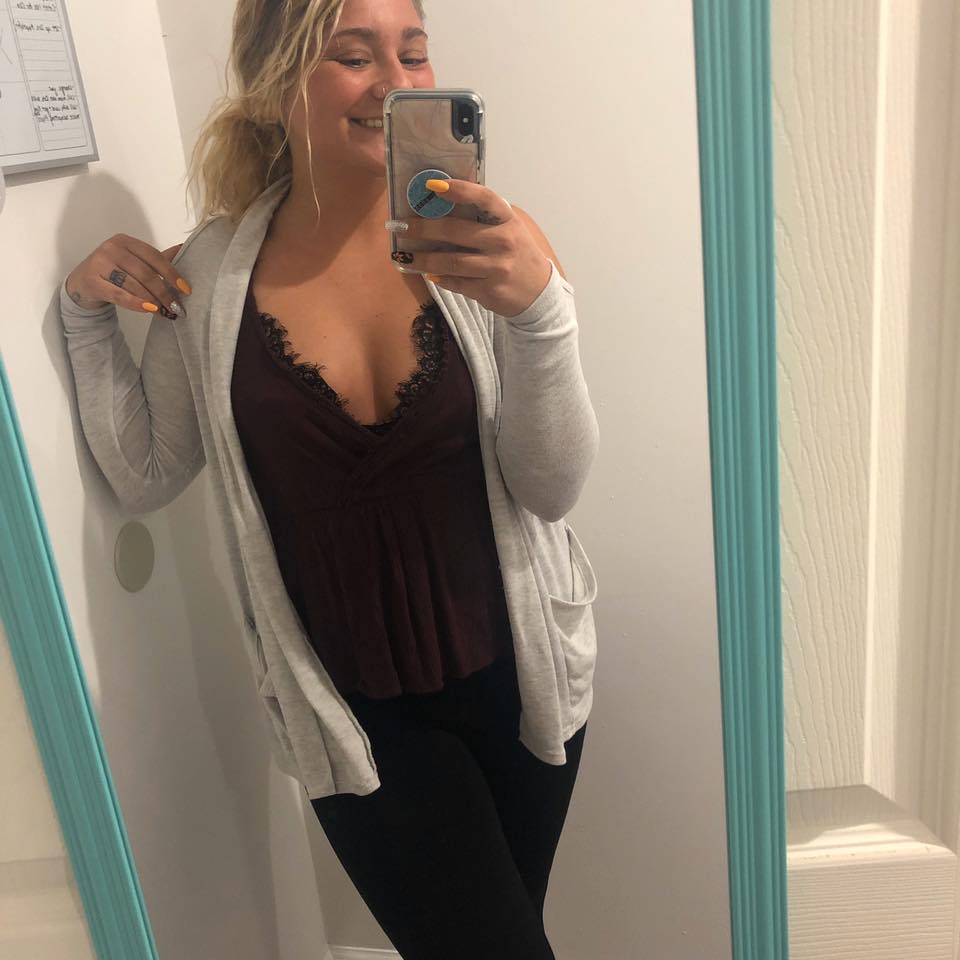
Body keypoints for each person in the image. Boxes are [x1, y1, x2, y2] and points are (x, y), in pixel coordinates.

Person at [59, 1, 599, 957]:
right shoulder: (215, 275)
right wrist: (85, 314)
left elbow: (549, 489)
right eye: (353, 55)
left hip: (523, 683)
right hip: (354, 721)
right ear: (277, 85)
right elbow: (143, 473)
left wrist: (540, 314)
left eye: (413, 53)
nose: (393, 81)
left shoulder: (489, 245)